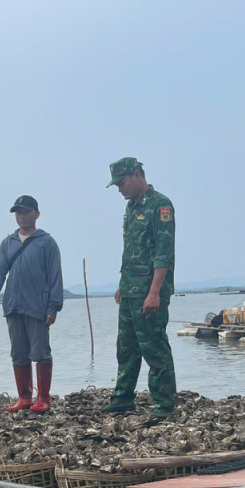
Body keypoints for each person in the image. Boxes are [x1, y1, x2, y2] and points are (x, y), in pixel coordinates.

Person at [102, 157, 176, 422]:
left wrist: (155, 292)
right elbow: (131, 251)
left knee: (154, 347)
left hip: (149, 290)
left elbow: (163, 253)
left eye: (122, 183)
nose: (120, 189)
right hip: (131, 288)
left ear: (136, 175)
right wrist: (122, 286)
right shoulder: (132, 208)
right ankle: (123, 398)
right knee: (127, 347)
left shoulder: (160, 205)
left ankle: (164, 404)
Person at [0, 195, 64, 413]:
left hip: (37, 307)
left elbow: (55, 276)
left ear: (37, 214)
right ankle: (24, 397)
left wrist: (53, 307)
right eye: (18, 212)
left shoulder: (47, 242)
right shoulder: (7, 243)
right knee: (18, 353)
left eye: (26, 212)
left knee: (41, 353)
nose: (22, 217)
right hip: (13, 305)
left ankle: (44, 398)